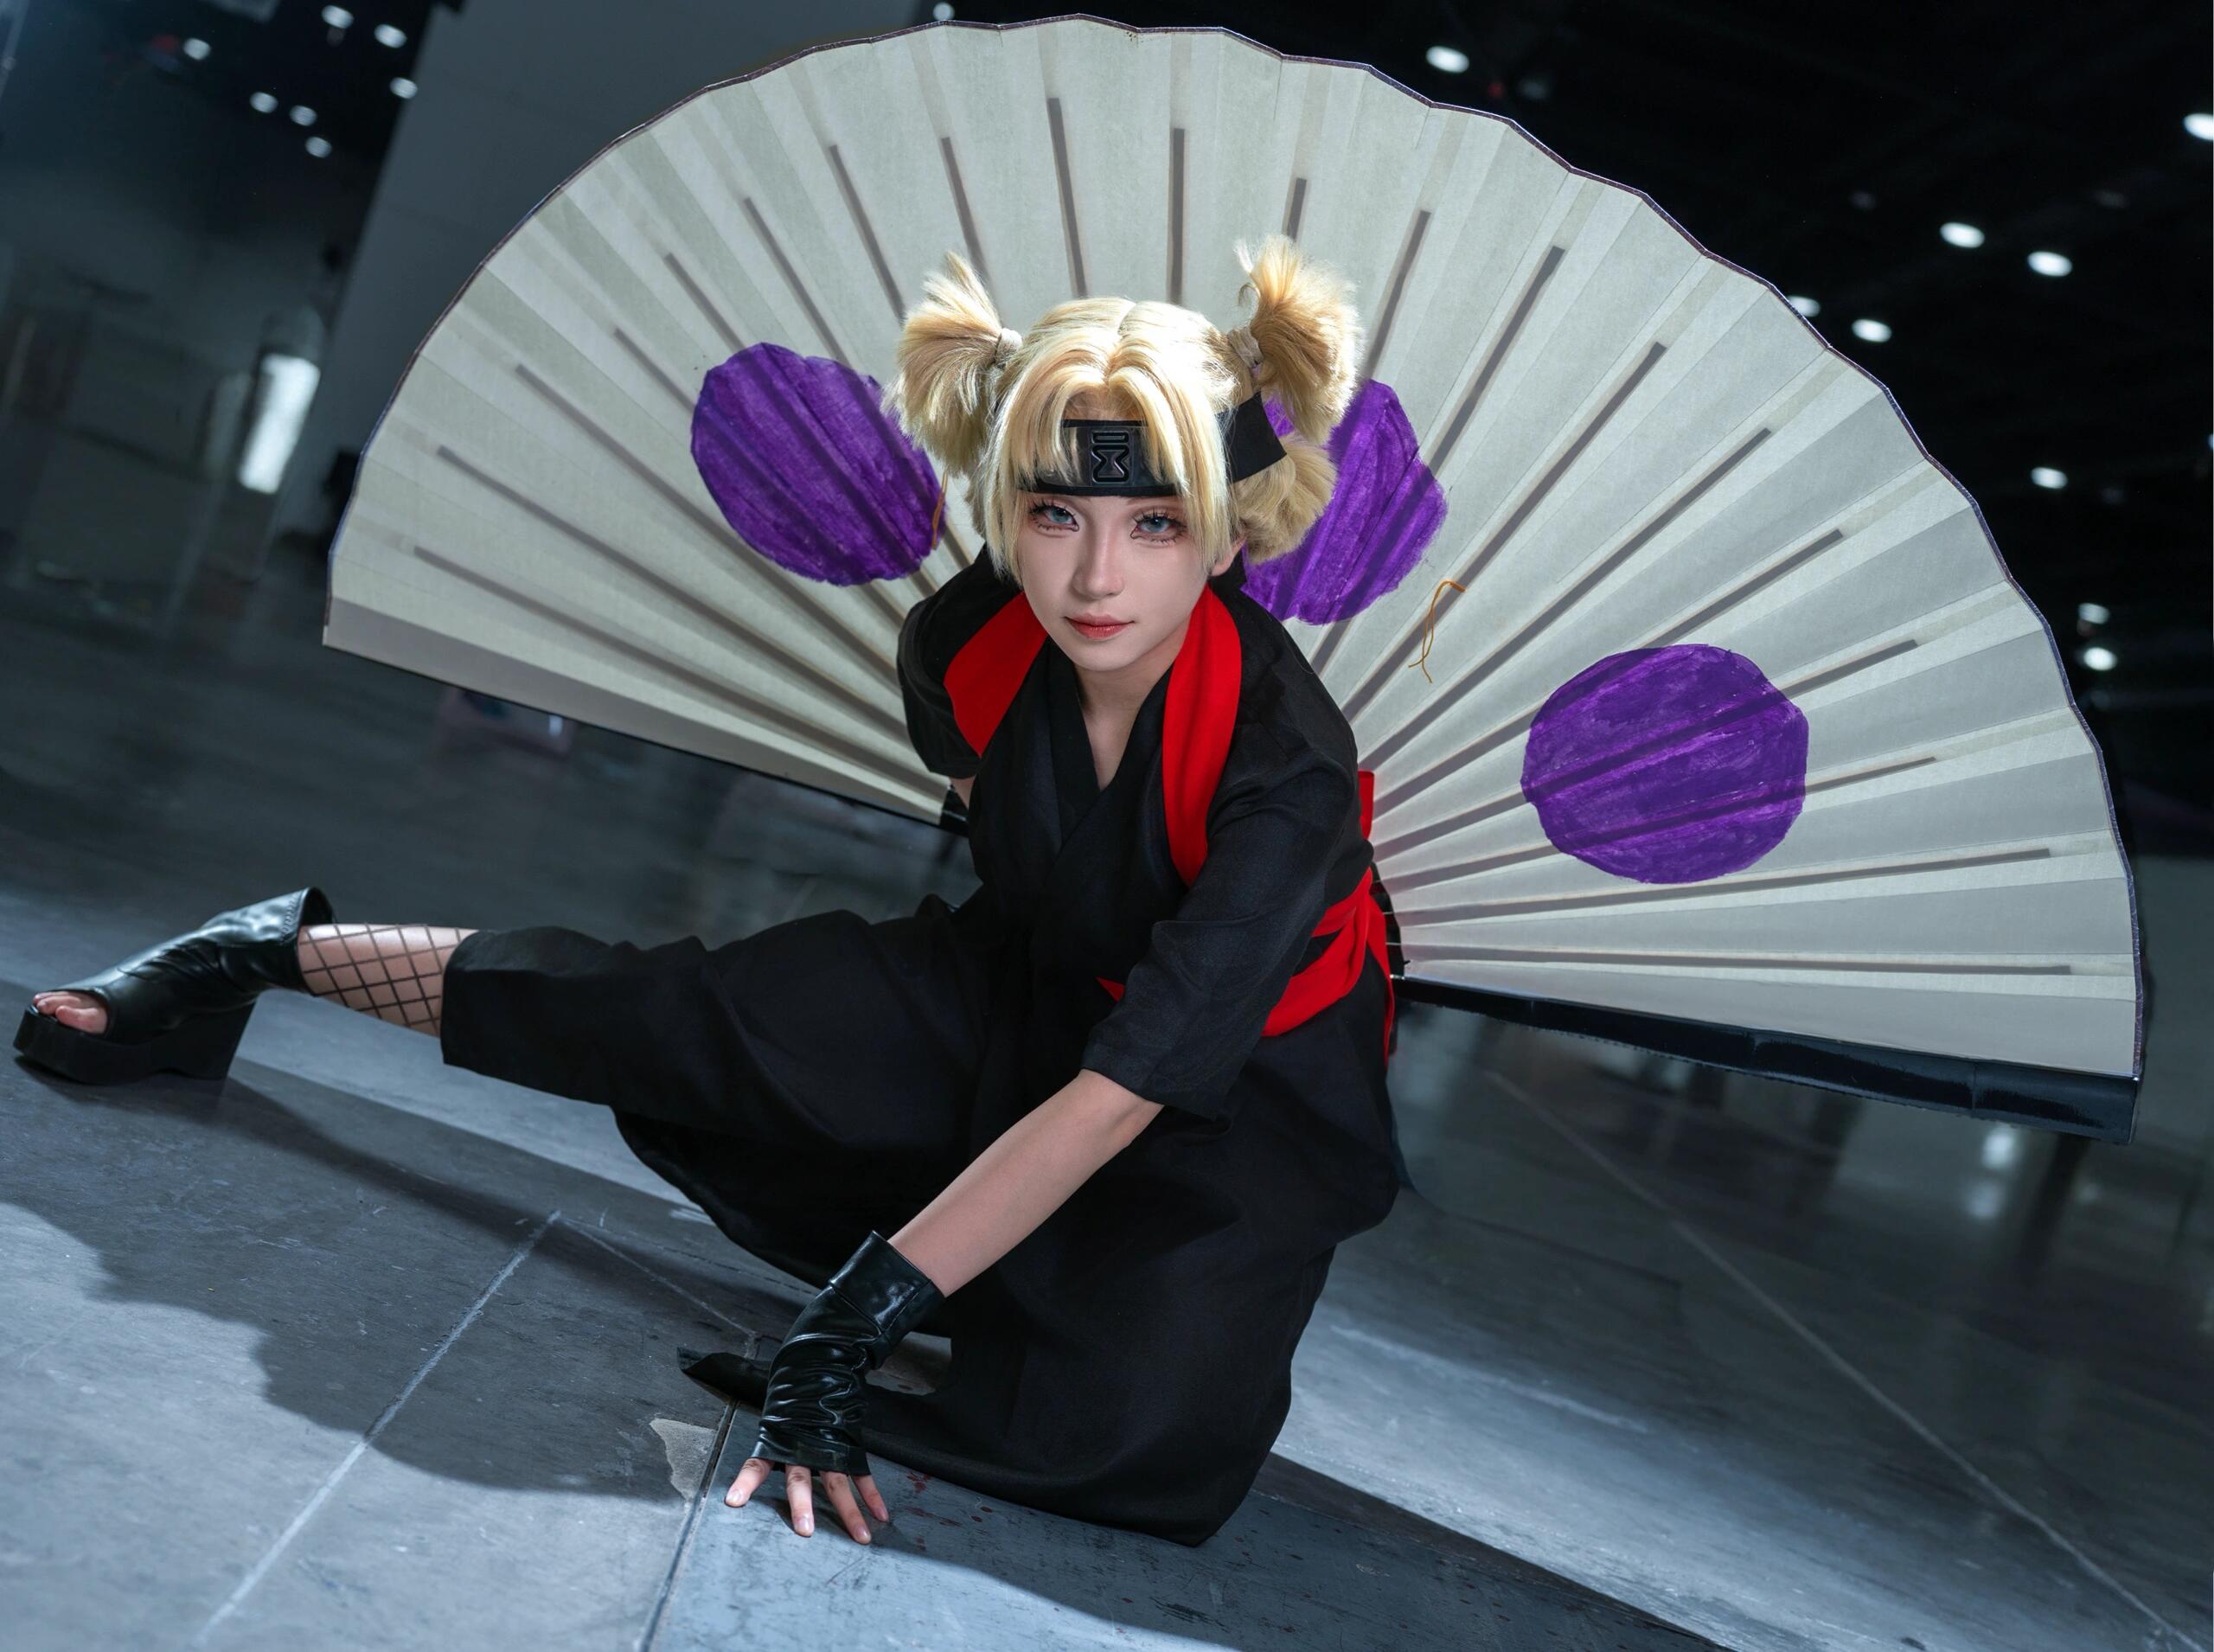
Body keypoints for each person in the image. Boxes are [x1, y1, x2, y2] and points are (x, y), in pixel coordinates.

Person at [15, 234, 1405, 1548]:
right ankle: (256, 950)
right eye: (1055, 513)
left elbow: (1124, 1089)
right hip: (1024, 982)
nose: (1097, 575)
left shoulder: (1286, 774)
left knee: (1121, 1439)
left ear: (1229, 534)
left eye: (1156, 522)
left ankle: (989, 1278)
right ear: (1007, 513)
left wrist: (842, 1334)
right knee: (679, 1014)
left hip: (1236, 1097)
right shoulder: (971, 639)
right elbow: (1012, 819)